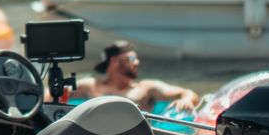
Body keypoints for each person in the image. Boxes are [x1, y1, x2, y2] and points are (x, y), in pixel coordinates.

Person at [71, 42, 201, 111]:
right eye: (132, 58)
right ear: (114, 61)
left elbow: (188, 93)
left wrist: (187, 100)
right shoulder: (90, 86)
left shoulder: (146, 88)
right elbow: (54, 93)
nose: (137, 62)